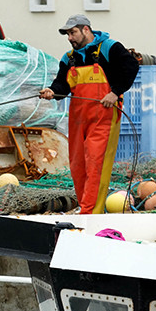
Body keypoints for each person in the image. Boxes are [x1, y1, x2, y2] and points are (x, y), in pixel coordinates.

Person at [39, 14, 138, 214]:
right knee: (78, 166)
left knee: (96, 164)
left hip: (104, 116)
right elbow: (62, 85)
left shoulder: (110, 48)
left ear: (86, 30)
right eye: (67, 34)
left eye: (73, 32)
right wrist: (51, 91)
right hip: (78, 119)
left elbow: (131, 66)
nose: (70, 38)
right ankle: (86, 208)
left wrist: (114, 92)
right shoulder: (69, 59)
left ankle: (91, 213)